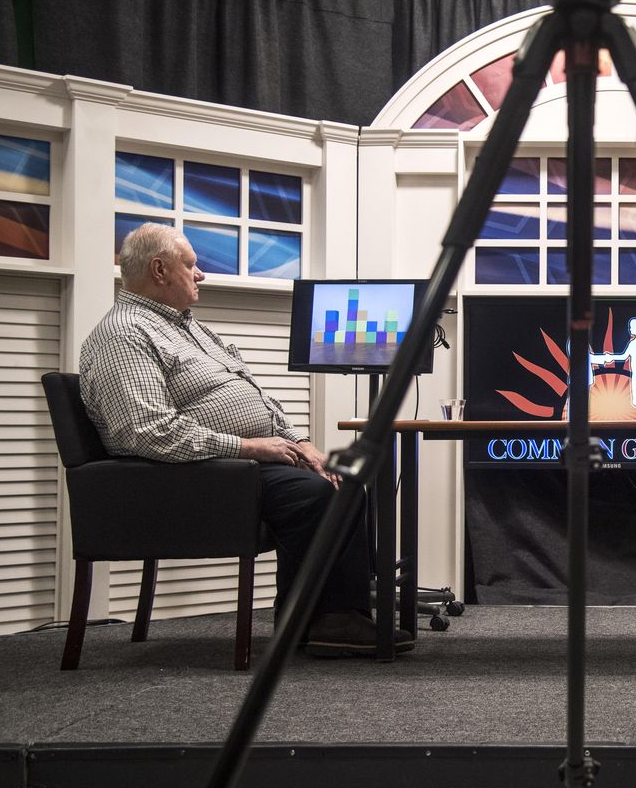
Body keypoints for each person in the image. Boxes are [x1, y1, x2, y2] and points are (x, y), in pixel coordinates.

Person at [79, 222, 407, 658]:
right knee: (311, 495)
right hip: (185, 479)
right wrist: (251, 448)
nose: (201, 275)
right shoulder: (124, 333)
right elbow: (145, 431)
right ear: (159, 270)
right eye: (191, 265)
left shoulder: (186, 327)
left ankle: (340, 614)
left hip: (235, 466)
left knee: (341, 482)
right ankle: (313, 621)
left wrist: (300, 445)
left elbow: (253, 399)